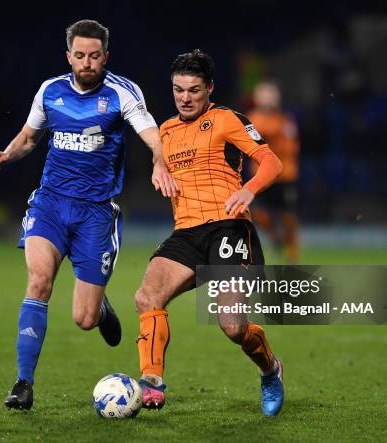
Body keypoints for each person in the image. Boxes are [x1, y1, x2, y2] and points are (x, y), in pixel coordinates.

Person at [0, 19, 177, 411]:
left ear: (106, 56)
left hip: (95, 213)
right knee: (39, 281)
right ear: (68, 56)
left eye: (94, 56)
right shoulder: (50, 91)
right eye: (79, 56)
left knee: (84, 319)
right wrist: (6, 154)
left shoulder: (122, 92)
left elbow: (152, 132)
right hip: (51, 204)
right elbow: (28, 138)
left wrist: (159, 161)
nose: (86, 63)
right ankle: (23, 383)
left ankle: (101, 306)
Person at [133, 50, 285, 416]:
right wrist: (158, 167)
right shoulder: (166, 130)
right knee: (147, 296)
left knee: (232, 326)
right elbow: (159, 155)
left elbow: (272, 161)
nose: (185, 98)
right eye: (178, 90)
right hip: (186, 232)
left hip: (229, 228)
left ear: (209, 89)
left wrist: (249, 189)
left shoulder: (227, 119)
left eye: (194, 90)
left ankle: (270, 370)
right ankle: (151, 382)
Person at [247, 81, 300, 263]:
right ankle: (276, 236)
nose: (269, 99)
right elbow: (252, 139)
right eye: (265, 95)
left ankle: (293, 255)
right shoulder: (252, 118)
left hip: (285, 175)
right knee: (258, 213)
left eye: (271, 95)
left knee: (288, 216)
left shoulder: (285, 120)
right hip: (261, 174)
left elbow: (291, 146)